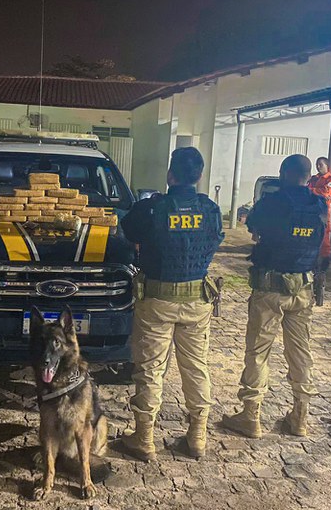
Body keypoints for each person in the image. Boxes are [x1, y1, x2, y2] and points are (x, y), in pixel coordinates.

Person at [120, 147, 224, 461]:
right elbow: (216, 240)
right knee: (196, 368)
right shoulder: (210, 209)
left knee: (151, 369)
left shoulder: (152, 209)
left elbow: (128, 232)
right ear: (200, 176)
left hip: (157, 299)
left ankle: (144, 439)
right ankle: (197, 438)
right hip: (197, 299)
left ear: (170, 175)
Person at [221, 154, 326, 439]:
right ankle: (300, 417)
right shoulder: (319, 205)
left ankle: (251, 417)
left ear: (283, 173)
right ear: (308, 176)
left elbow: (254, 230)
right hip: (303, 289)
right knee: (300, 353)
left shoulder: (272, 202)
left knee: (258, 352)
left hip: (270, 288)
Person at [308, 157, 331, 306]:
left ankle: (322, 271)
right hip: (311, 213)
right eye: (317, 164)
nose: (318, 167)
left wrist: (312, 191)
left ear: (327, 166)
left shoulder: (330, 179)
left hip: (323, 214)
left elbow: (326, 194)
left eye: (321, 164)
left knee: (324, 243)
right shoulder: (314, 178)